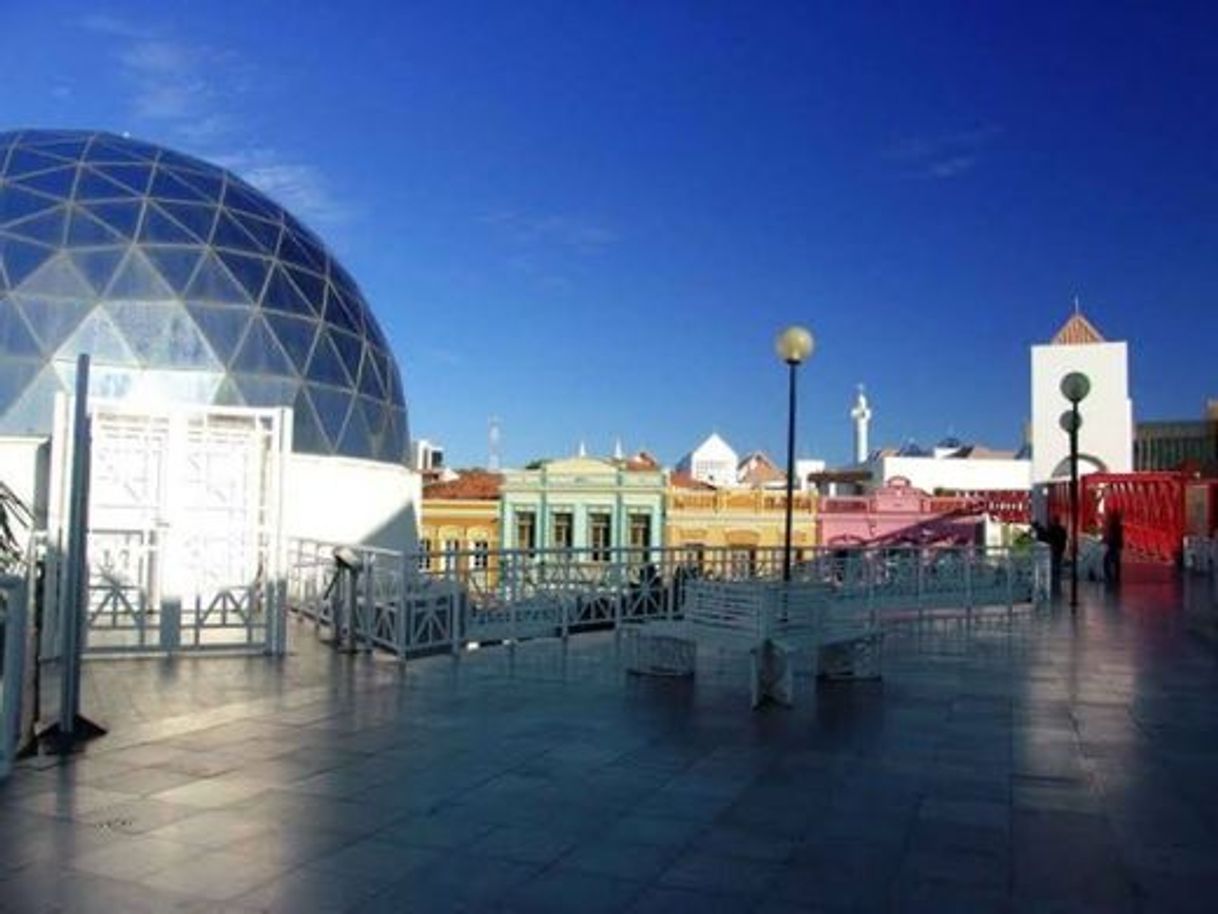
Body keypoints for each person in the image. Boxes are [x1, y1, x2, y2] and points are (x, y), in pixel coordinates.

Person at [1034, 516, 1068, 593]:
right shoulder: (1061, 530)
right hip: (1059, 551)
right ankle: (1057, 585)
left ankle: (1054, 585)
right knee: (1056, 567)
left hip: (1055, 550)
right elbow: (1063, 541)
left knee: (1054, 568)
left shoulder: (1053, 529)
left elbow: (1047, 537)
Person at [1103, 510, 1124, 585]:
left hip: (1113, 545)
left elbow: (1111, 535)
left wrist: (1105, 539)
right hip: (1116, 546)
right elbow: (1118, 537)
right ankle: (1116, 577)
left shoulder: (1113, 525)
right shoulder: (1118, 526)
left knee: (1107, 560)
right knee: (1116, 561)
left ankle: (1109, 576)